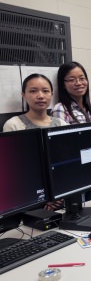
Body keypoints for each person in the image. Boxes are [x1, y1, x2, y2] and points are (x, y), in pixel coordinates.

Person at [2, 73, 67, 211]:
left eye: (45, 91)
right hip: (28, 200)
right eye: (33, 91)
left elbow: (66, 164)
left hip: (61, 195)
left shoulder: (61, 124)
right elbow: (15, 170)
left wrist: (59, 194)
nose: (40, 96)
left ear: (52, 94)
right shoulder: (14, 125)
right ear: (23, 95)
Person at [51, 61, 91, 201]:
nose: (78, 83)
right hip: (75, 173)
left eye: (82, 78)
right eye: (72, 80)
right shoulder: (61, 109)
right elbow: (62, 146)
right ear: (63, 84)